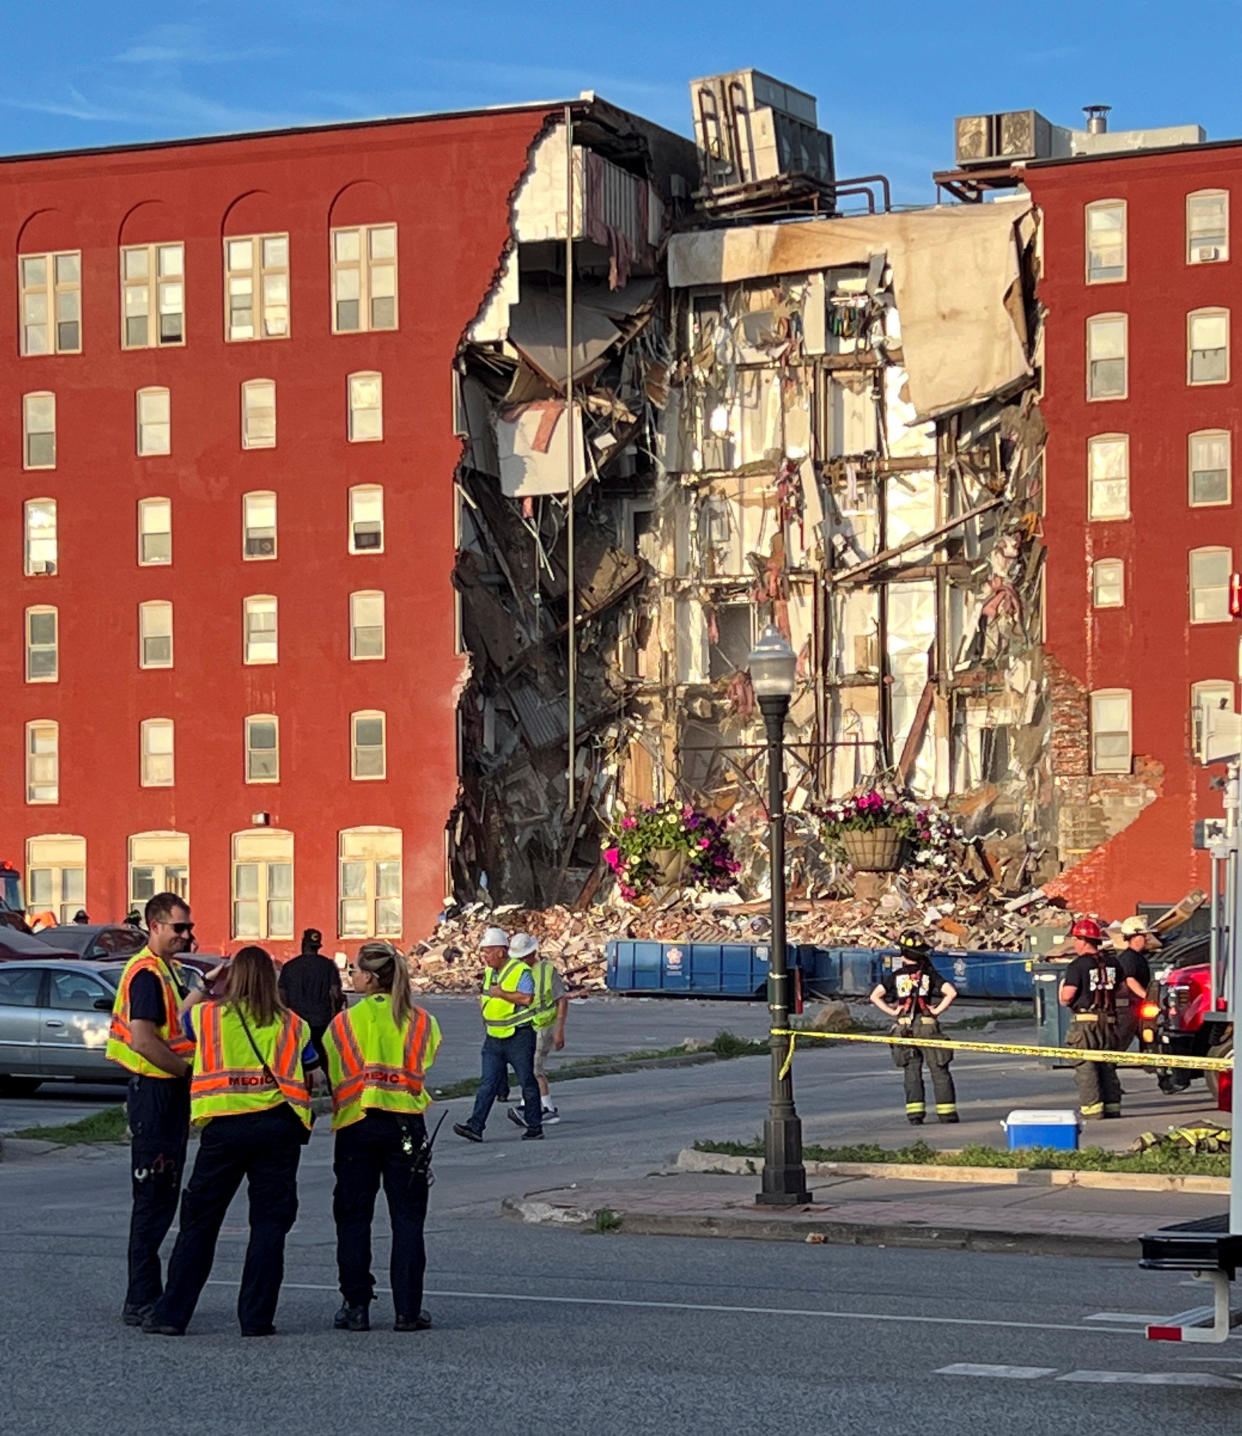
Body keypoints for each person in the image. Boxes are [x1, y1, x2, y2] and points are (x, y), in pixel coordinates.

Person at [143, 946, 312, 1337]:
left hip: (223, 1131)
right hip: (277, 1127)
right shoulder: (293, 1024)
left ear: (231, 978)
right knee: (269, 1225)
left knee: (199, 1223)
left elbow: (178, 1021)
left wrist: (205, 983)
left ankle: (172, 1315)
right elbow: (311, 1071)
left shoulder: (207, 1017)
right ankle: (256, 1319)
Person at [322, 941, 441, 1334]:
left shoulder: (343, 1023)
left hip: (357, 1124)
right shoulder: (422, 1021)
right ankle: (408, 1309)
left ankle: (356, 1306)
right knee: (408, 1220)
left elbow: (335, 1072)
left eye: (354, 969)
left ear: (370, 978)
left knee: (353, 1218)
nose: (350, 976)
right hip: (406, 1126)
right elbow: (425, 1061)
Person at [105, 892, 196, 1327]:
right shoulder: (145, 974)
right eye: (178, 927)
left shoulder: (169, 971)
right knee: (153, 1200)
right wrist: (186, 1074)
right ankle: (140, 1297)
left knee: (162, 1197)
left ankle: (148, 1293)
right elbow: (143, 1040)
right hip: (155, 1092)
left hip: (166, 1092)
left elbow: (174, 1021)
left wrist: (201, 991)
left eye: (188, 927)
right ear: (154, 926)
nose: (186, 935)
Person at [454, 929, 542, 1142]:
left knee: (526, 1081)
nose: (484, 956)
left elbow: (527, 998)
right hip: (494, 1037)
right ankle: (475, 1126)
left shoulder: (520, 970)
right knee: (488, 1083)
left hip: (518, 1036)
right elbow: (485, 997)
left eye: (488, 952)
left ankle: (534, 1126)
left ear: (501, 952)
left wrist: (502, 993)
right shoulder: (489, 973)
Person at [868, 931, 959, 1124]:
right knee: (939, 1068)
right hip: (928, 1026)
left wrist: (893, 1012)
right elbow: (951, 992)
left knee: (911, 1071)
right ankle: (947, 1114)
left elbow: (874, 996)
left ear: (902, 953)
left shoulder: (896, 976)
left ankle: (915, 1115)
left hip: (904, 1028)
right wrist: (935, 1011)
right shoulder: (928, 974)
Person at [1058, 916, 1123, 1119]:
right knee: (1107, 1064)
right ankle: (1113, 1106)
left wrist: (1061, 990)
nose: (1075, 944)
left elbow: (1067, 997)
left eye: (1076, 940)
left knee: (1086, 1065)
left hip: (1085, 1024)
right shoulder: (1113, 963)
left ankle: (1092, 1109)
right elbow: (1120, 988)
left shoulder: (1077, 965)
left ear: (1084, 941)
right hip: (1109, 1022)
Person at [507, 934, 568, 1129]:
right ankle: (529, 1105)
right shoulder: (517, 971)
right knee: (527, 1067)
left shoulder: (547, 971)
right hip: (527, 1026)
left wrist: (559, 1030)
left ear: (532, 953)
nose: (520, 961)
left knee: (535, 1069)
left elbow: (562, 1000)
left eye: (523, 957)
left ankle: (547, 1108)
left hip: (544, 1024)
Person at [279, 928, 346, 1073]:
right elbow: (335, 994)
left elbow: (281, 997)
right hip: (321, 1022)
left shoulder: (289, 967)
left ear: (303, 944)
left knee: (295, 1062)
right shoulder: (328, 966)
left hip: (296, 1023)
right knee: (326, 1061)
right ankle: (329, 1088)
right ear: (318, 946)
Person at [1112, 915, 1154, 1051]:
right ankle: (1106, 1069)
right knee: (1119, 1044)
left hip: (1135, 1007)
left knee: (1149, 1041)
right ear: (1134, 937)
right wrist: (1148, 997)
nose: (1145, 939)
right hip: (1128, 1009)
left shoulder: (1137, 957)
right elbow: (1130, 980)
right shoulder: (1129, 958)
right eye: (1143, 936)